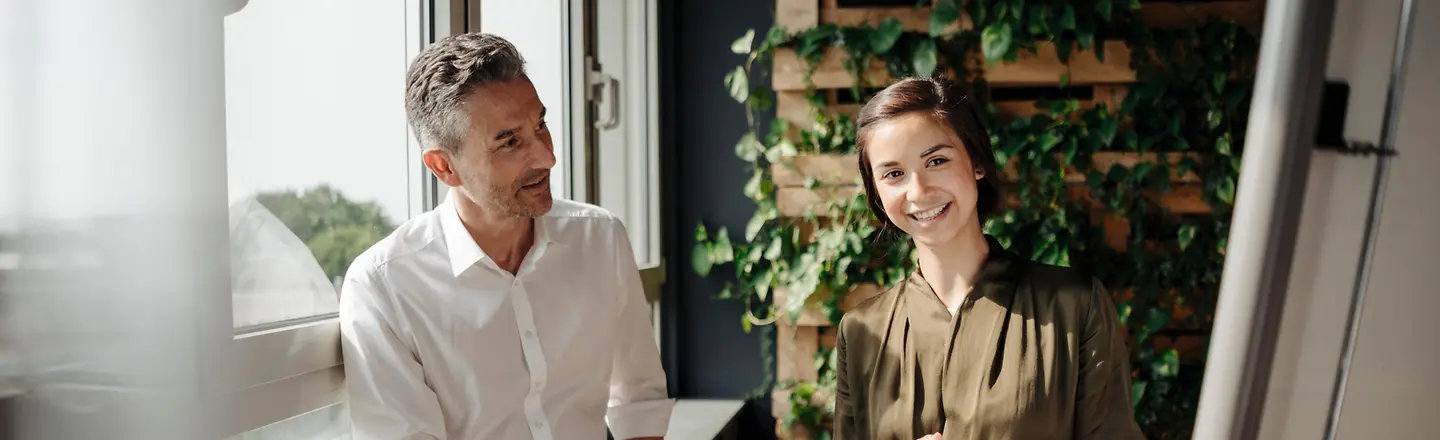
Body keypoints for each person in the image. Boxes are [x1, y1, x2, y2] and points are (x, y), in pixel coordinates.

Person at [338, 32, 672, 440]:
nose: (547, 157)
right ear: (444, 167)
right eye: (510, 142)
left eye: (540, 125)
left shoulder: (600, 238)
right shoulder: (384, 287)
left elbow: (639, 401)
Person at [832, 77, 1145, 440]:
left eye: (936, 161)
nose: (918, 191)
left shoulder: (1074, 307)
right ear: (876, 192)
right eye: (894, 174)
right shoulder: (860, 333)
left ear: (977, 161)